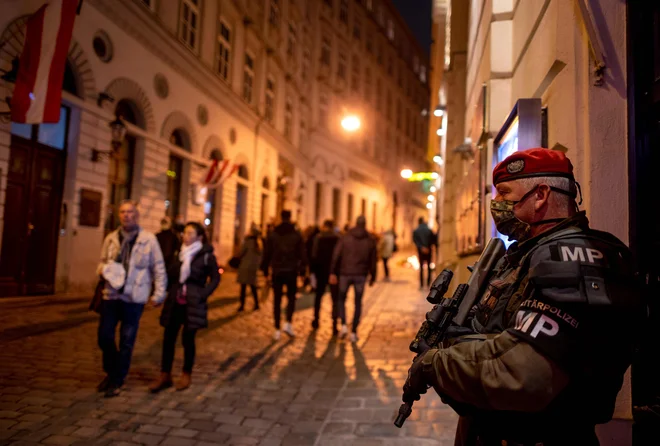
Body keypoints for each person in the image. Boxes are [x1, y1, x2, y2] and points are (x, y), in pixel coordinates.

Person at [402, 148, 644, 445]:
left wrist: (435, 364)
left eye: (504, 194)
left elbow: (523, 373)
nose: (497, 204)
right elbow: (500, 334)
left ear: (541, 195)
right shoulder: (527, 253)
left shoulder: (570, 259)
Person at [96, 200, 167, 398]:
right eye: (123, 212)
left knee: (127, 340)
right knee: (105, 336)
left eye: (130, 212)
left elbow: (158, 268)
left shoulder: (149, 239)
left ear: (137, 215)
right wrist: (103, 271)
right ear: (119, 215)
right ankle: (111, 371)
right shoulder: (111, 238)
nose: (127, 215)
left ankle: (117, 379)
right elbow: (101, 262)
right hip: (111, 294)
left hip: (134, 297)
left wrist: (159, 293)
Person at [150, 222, 220, 393]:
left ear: (199, 237)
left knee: (188, 340)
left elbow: (216, 278)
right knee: (168, 338)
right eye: (185, 233)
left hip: (193, 303)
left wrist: (203, 294)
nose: (185, 236)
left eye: (190, 233)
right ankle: (165, 374)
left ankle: (186, 373)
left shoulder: (206, 256)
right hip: (175, 300)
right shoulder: (178, 252)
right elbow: (169, 274)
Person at [330, 216, 377, 343]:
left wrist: (333, 272)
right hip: (360, 274)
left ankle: (344, 325)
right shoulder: (369, 239)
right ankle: (354, 332)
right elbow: (373, 260)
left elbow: (336, 255)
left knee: (341, 299)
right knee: (357, 303)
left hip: (345, 273)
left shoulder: (345, 237)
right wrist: (373, 276)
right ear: (365, 224)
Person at [261, 210, 307, 340]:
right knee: (291, 298)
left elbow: (267, 253)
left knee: (277, 299)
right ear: (290, 217)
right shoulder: (296, 234)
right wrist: (303, 271)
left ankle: (276, 328)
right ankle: (288, 323)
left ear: (281, 217)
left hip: (277, 270)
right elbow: (302, 254)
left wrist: (265, 270)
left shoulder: (274, 234)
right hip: (291, 270)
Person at [310, 219, 341, 333]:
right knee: (334, 299)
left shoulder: (319, 238)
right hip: (333, 272)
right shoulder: (337, 238)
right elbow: (339, 256)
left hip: (320, 271)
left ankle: (316, 320)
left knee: (318, 297)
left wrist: (313, 271)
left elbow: (314, 255)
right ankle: (334, 325)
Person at [237, 224, 261, 312]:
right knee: (253, 286)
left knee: (243, 287)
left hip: (245, 267)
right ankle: (257, 304)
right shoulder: (260, 244)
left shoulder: (248, 242)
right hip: (253, 268)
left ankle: (242, 305)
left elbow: (241, 252)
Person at [412, 217, 434, 288]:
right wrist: (427, 247)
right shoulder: (429, 230)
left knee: (421, 267)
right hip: (428, 250)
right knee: (429, 267)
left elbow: (415, 240)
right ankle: (428, 282)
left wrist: (421, 247)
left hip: (420, 251)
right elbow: (432, 239)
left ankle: (421, 284)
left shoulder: (416, 231)